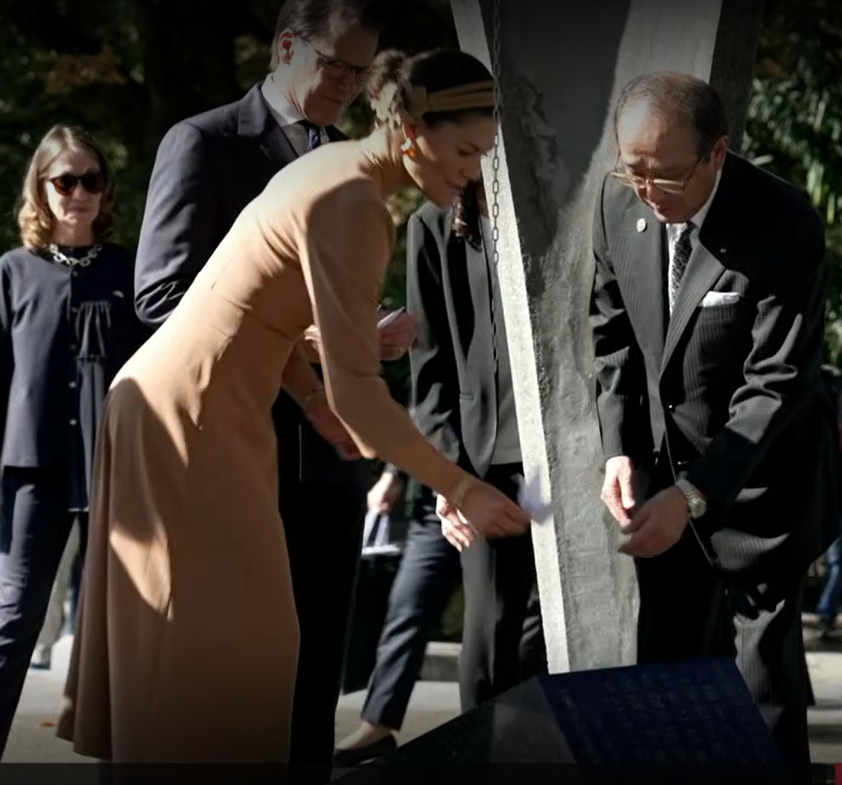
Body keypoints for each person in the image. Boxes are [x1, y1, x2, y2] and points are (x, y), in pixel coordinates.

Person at [56, 46, 532, 764]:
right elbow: (358, 388)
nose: (474, 170)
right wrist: (461, 486)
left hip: (189, 404)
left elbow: (253, 312)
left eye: (483, 153)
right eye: (466, 150)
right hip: (192, 414)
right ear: (411, 130)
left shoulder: (331, 169)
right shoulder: (356, 204)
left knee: (216, 650)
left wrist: (312, 401)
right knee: (224, 653)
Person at [131, 1, 413, 778]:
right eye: (335, 65)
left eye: (361, 71)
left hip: (329, 462)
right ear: (287, 47)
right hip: (235, 455)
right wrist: (307, 337)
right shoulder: (204, 143)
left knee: (313, 679)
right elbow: (161, 297)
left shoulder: (350, 162)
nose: (348, 85)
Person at [589, 71, 841, 768]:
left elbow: (777, 381)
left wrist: (695, 492)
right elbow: (613, 339)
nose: (647, 191)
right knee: (666, 687)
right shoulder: (616, 200)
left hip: (761, 487)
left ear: (717, 153)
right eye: (633, 169)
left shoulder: (782, 221)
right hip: (661, 487)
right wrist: (619, 451)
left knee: (761, 696)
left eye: (666, 175)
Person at [336, 179, 548, 763]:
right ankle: (483, 753)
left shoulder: (553, 199)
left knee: (550, 623)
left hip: (567, 445)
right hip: (481, 459)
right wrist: (447, 477)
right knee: (490, 621)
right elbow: (430, 368)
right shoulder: (433, 223)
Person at [0, 124, 146, 757]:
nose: (79, 193)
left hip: (117, 470)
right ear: (41, 188)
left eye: (91, 180)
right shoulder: (13, 271)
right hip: (32, 470)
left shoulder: (130, 271)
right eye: (65, 181)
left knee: (123, 627)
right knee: (13, 619)